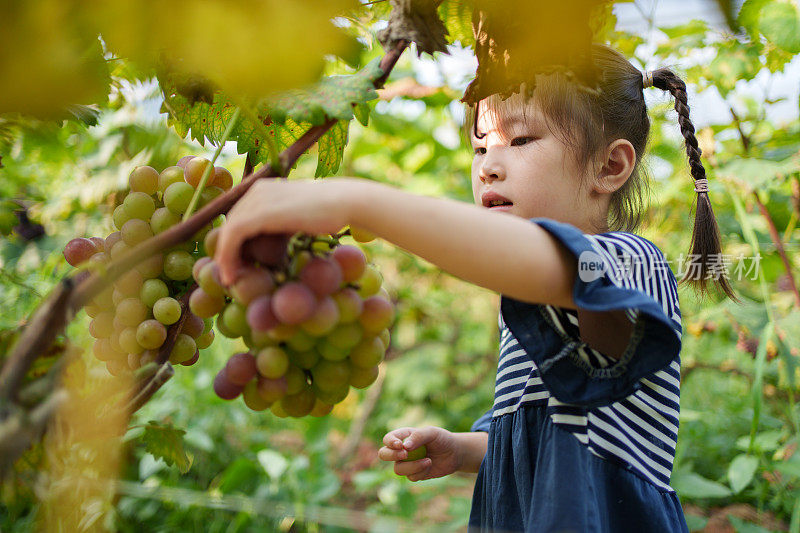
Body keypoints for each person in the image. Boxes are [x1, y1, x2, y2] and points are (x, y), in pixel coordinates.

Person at [215, 44, 736, 532]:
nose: (487, 166)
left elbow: (544, 262)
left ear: (609, 166)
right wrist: (464, 450)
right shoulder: (538, 298)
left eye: (522, 140)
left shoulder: (631, 263)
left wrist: (357, 202)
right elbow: (541, 433)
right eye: (480, 145)